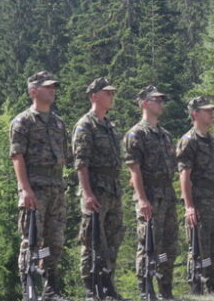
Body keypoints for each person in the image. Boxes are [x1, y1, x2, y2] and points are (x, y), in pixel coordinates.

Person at [10, 71, 72, 301]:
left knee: (54, 241)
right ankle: (29, 288)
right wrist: (25, 188)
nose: (52, 90)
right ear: (33, 91)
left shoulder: (58, 123)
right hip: (35, 187)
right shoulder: (23, 121)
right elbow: (17, 157)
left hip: (56, 187)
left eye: (54, 87)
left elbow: (65, 155)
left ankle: (50, 289)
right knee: (32, 239)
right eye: (48, 87)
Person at [73, 77, 125, 301]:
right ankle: (91, 287)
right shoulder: (86, 125)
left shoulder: (110, 126)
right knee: (92, 240)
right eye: (107, 93)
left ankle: (107, 284)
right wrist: (87, 193)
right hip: (95, 190)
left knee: (113, 239)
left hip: (112, 189)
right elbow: (81, 163)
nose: (112, 96)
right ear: (94, 96)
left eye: (112, 93)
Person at [125, 85, 178, 300]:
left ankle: (165, 288)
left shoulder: (165, 135)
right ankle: (146, 289)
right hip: (149, 194)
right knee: (148, 244)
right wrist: (142, 199)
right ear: (145, 103)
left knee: (168, 245)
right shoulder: (136, 134)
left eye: (162, 100)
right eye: (157, 100)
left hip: (167, 194)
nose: (161, 104)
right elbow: (134, 169)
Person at [176, 96, 214, 293]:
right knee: (198, 246)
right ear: (195, 114)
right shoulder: (189, 140)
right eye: (207, 111)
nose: (212, 114)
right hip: (198, 200)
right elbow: (185, 175)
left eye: (212, 110)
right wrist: (189, 205)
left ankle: (213, 288)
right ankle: (197, 288)